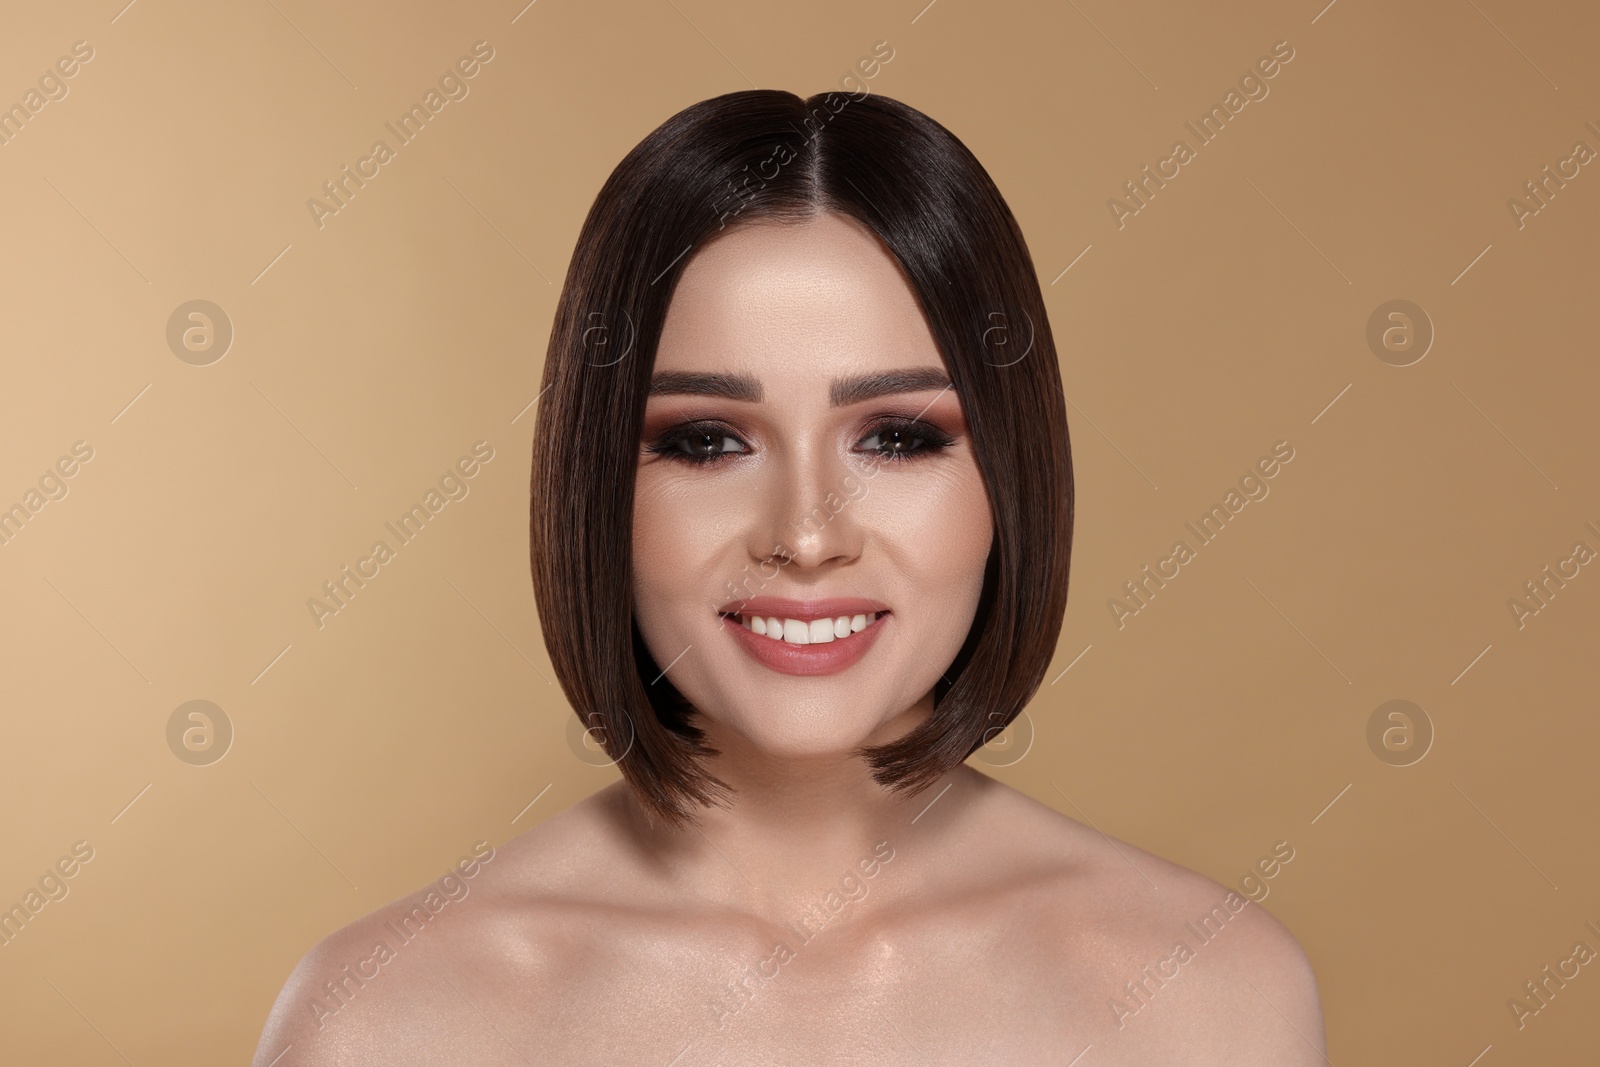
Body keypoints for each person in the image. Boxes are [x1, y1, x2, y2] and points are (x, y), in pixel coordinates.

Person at [254, 88, 1324, 1066]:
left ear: (1011, 473)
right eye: (708, 440)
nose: (805, 536)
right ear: (596, 486)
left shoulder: (1209, 994)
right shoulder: (381, 1018)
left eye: (898, 436)